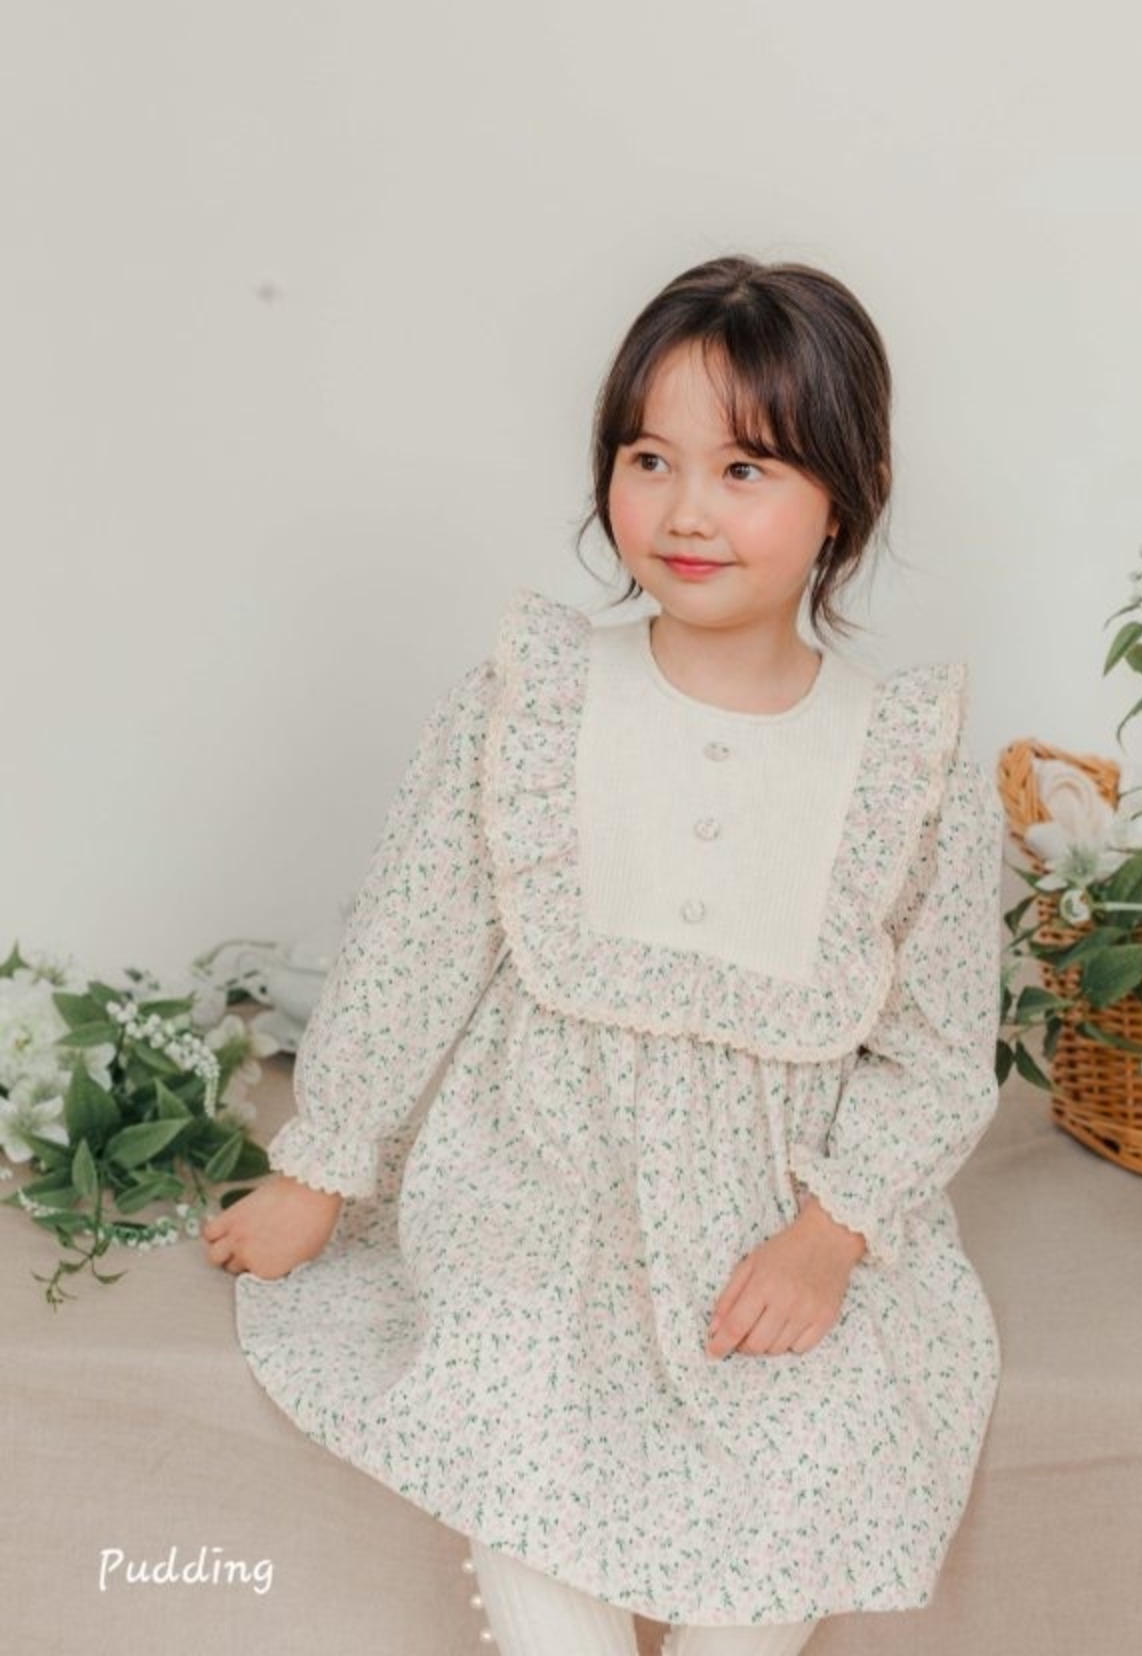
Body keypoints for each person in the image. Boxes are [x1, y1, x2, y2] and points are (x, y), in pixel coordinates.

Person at [204, 254, 1007, 1656]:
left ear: (848, 489)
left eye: (745, 468)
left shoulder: (907, 765)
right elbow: (411, 948)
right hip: (536, 1187)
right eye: (650, 459)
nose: (687, 510)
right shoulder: (531, 705)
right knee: (514, 1385)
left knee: (820, 1431)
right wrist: (324, 1167)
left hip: (769, 1221)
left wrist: (828, 1238)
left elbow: (938, 1053)